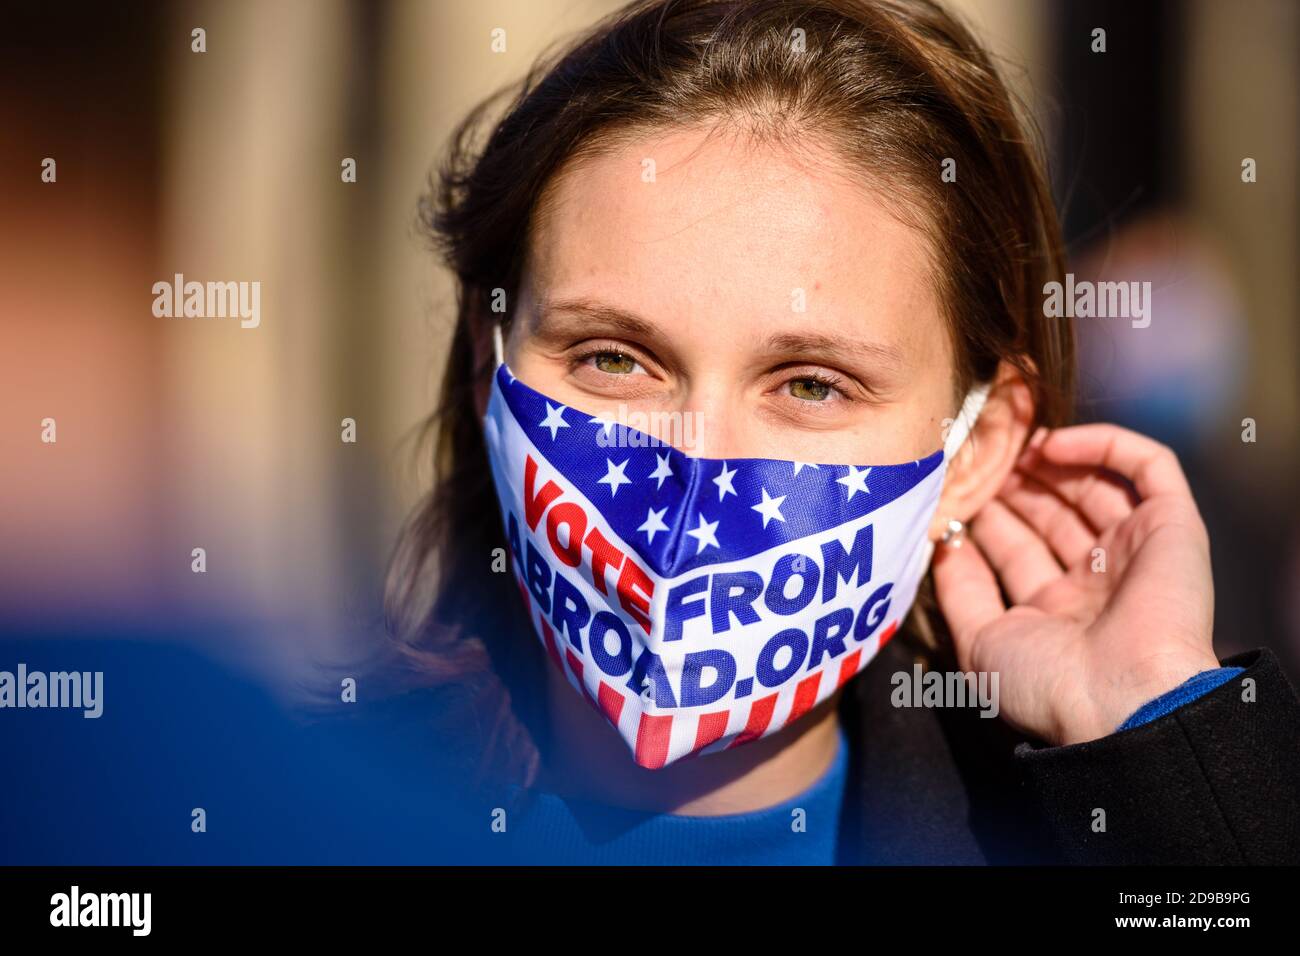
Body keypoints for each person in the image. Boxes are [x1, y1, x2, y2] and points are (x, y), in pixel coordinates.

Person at [367, 0, 1300, 864]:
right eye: (614, 359)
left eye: (812, 384)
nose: (700, 465)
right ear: (493, 368)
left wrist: (1162, 755)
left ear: (973, 449)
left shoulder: (1076, 847)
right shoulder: (269, 812)